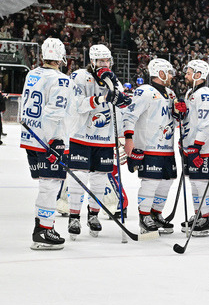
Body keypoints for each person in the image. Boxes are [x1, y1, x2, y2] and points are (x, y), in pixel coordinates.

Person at [66, 44, 131, 240]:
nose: (104, 64)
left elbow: (122, 110)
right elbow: (77, 105)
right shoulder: (79, 77)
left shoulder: (114, 81)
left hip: (104, 139)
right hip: (81, 136)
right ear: (92, 62)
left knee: (100, 180)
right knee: (78, 178)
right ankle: (73, 217)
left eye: (106, 60)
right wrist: (101, 98)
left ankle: (93, 215)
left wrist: (123, 102)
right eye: (100, 61)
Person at [19, 37, 73, 250]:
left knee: (46, 185)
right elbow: (54, 113)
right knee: (50, 186)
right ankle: (43, 230)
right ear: (61, 57)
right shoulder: (62, 80)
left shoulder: (32, 73)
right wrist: (55, 142)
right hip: (48, 140)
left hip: (31, 137)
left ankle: (43, 226)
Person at [123, 58, 178, 235]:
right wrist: (129, 139)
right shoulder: (145, 91)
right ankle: (144, 216)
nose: (171, 76)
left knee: (167, 181)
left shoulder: (171, 94)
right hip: (149, 146)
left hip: (167, 147)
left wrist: (180, 113)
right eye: (169, 73)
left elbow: (174, 119)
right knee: (150, 182)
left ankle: (155, 213)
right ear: (160, 73)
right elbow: (130, 115)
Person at [179, 59, 209, 237]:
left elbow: (208, 124)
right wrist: (181, 113)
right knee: (195, 183)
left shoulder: (205, 94)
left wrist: (197, 146)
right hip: (191, 146)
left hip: (203, 148)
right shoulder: (191, 92)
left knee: (202, 183)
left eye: (189, 73)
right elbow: (191, 121)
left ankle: (208, 218)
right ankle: (199, 214)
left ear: (198, 75)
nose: (186, 75)